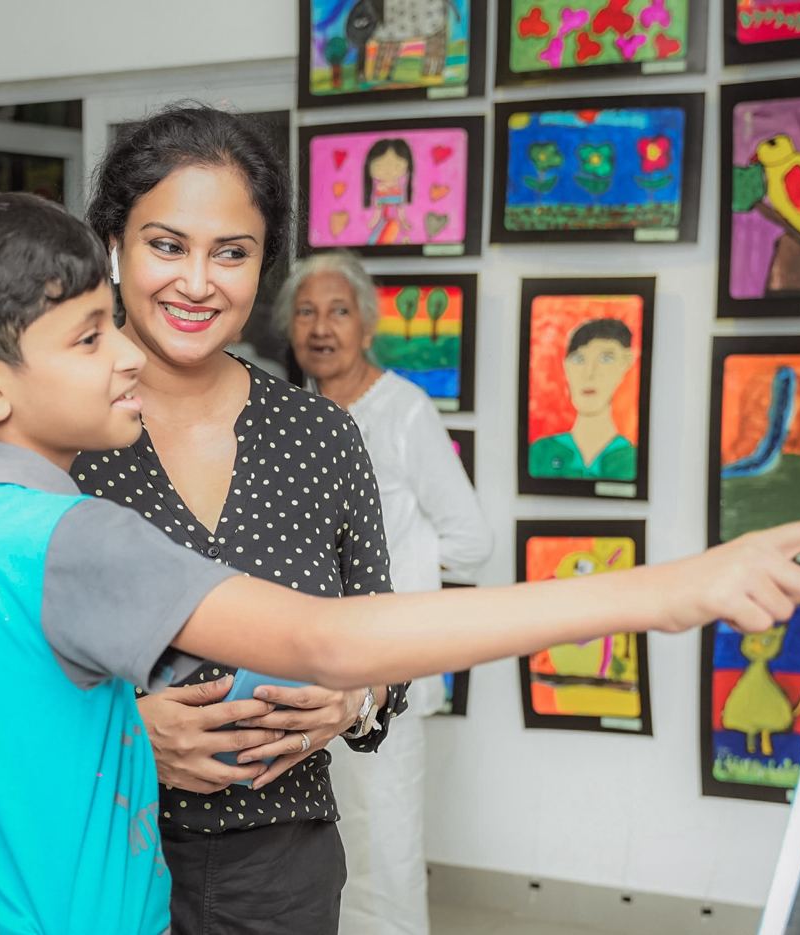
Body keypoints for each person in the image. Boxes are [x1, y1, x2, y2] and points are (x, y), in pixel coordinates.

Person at [0, 189, 800, 935]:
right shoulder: (67, 536)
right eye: (90, 337)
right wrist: (667, 587)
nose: (129, 354)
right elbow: (328, 634)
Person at [83, 105, 409, 933]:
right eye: (167, 245)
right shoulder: (49, 424)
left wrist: (355, 697)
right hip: (85, 849)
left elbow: (382, 642)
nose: (198, 282)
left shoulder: (319, 433)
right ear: (113, 244)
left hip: (281, 867)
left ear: (265, 266)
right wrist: (120, 732)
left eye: (232, 252)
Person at [279, 251, 493, 935]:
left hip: (384, 670)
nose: (320, 327)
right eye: (306, 311)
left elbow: (471, 539)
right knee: (319, 842)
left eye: (338, 310)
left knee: (387, 848)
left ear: (367, 326)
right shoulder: (292, 413)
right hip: (305, 667)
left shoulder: (404, 409)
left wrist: (386, 583)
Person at [528, 318, 638, 481]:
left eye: (605, 359)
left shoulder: (630, 458)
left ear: (626, 363)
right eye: (578, 359)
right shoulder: (541, 452)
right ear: (566, 367)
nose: (589, 373)